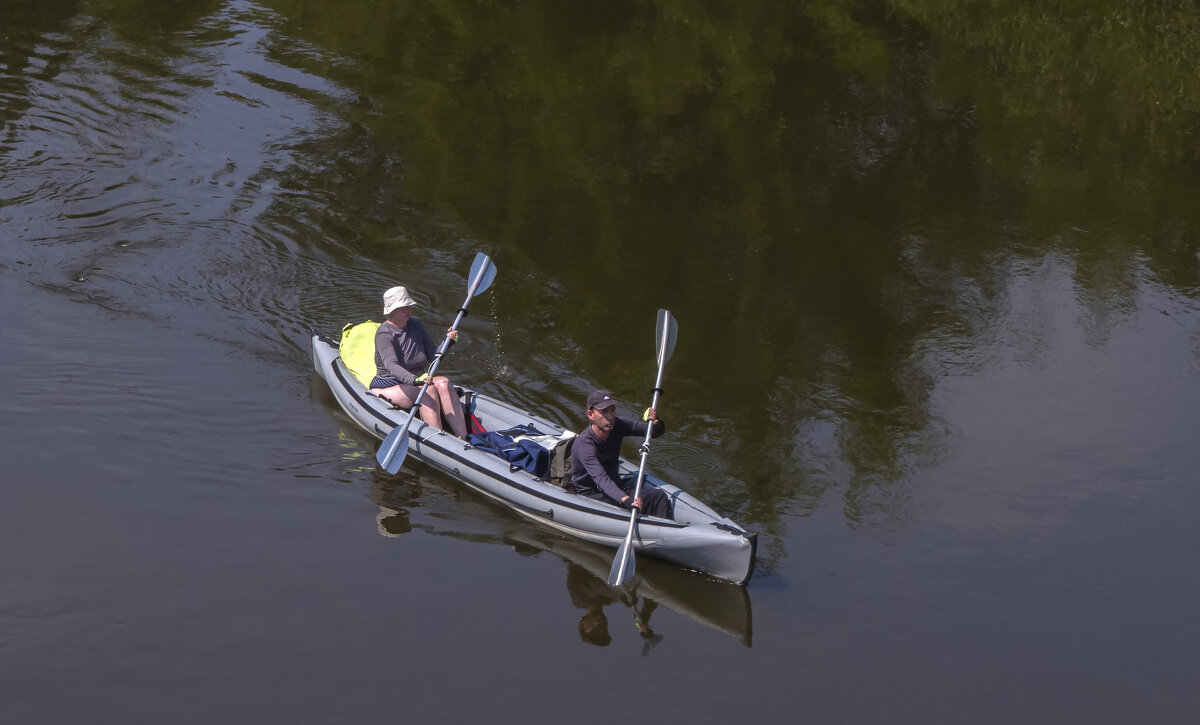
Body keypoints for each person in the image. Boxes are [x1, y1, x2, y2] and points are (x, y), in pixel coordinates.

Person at [370, 285, 468, 439]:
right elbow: (391, 366)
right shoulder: (384, 333)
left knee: (444, 383)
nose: (407, 310)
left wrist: (447, 342)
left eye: (408, 306)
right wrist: (415, 380)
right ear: (391, 311)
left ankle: (463, 438)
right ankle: (438, 441)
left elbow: (433, 356)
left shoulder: (415, 324)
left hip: (416, 380)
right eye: (402, 307)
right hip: (389, 383)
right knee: (428, 389)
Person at [568, 389, 674, 519]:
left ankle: (662, 529)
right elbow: (601, 479)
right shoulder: (584, 445)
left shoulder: (617, 425)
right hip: (592, 494)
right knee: (656, 498)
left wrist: (656, 423)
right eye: (604, 412)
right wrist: (626, 500)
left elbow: (651, 432)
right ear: (590, 414)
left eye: (612, 410)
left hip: (616, 485)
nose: (610, 416)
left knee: (658, 497)